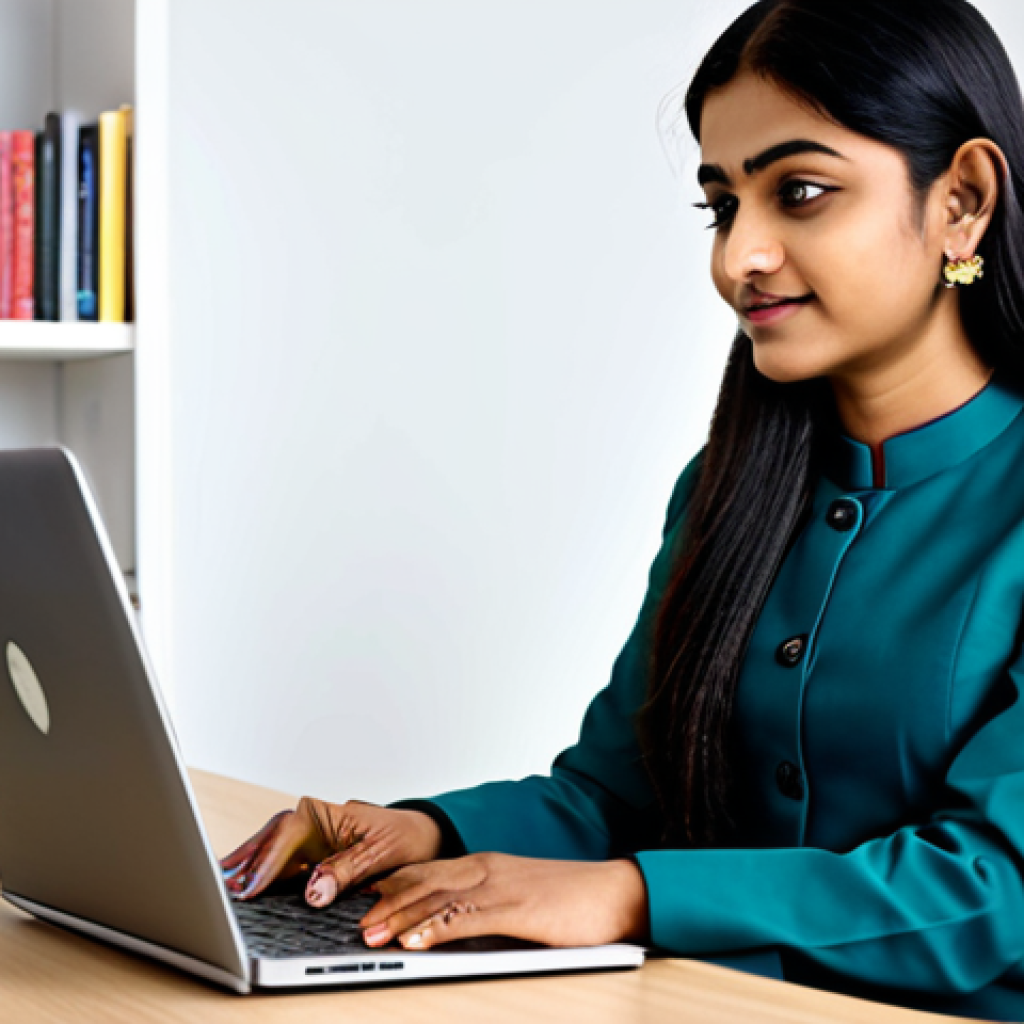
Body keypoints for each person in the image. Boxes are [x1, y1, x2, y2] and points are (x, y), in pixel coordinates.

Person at [220, 1, 1024, 1017]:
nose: (739, 259)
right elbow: (615, 793)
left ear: (960, 199)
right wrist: (421, 831)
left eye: (802, 192)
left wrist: (630, 895)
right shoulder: (729, 485)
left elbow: (998, 889)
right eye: (722, 207)